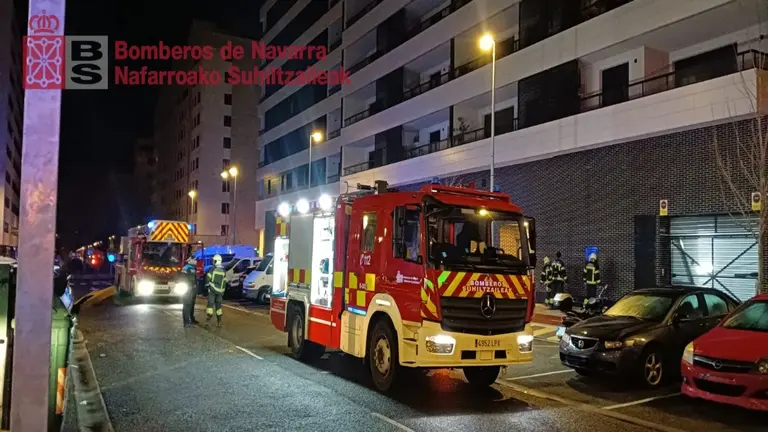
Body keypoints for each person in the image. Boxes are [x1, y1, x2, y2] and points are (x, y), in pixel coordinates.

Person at [205, 254, 227, 327]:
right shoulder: (223, 269)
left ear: (215, 261)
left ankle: (208, 320)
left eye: (213, 260)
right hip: (220, 291)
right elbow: (225, 280)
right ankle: (219, 321)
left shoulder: (213, 268)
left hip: (212, 290)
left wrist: (207, 284)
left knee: (210, 305)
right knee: (219, 306)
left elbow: (208, 277)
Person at [181, 263, 199, 327]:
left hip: (192, 289)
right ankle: (186, 322)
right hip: (188, 289)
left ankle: (192, 319)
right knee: (187, 304)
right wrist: (189, 286)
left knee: (192, 304)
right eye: (194, 259)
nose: (195, 261)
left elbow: (194, 279)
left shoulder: (193, 267)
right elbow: (183, 278)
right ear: (190, 260)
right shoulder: (186, 268)